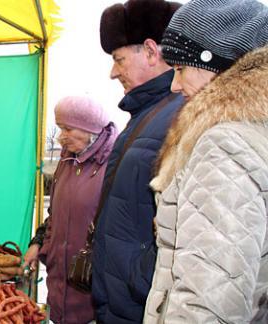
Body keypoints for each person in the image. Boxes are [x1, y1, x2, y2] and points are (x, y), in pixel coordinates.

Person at [143, 0, 268, 322]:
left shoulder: (225, 146)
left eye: (181, 68)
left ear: (217, 65)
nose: (174, 85)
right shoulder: (254, 133)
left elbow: (209, 301)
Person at [90, 0, 185, 323]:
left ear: (150, 50)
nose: (113, 71)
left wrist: (138, 279)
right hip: (123, 301)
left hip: (136, 306)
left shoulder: (179, 116)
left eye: (118, 59)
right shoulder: (147, 114)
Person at [23, 96, 118, 323]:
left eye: (67, 129)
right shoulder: (67, 162)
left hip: (90, 290)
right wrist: (38, 243)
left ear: (90, 129)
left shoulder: (114, 165)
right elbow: (55, 214)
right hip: (59, 284)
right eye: (59, 128)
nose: (60, 137)